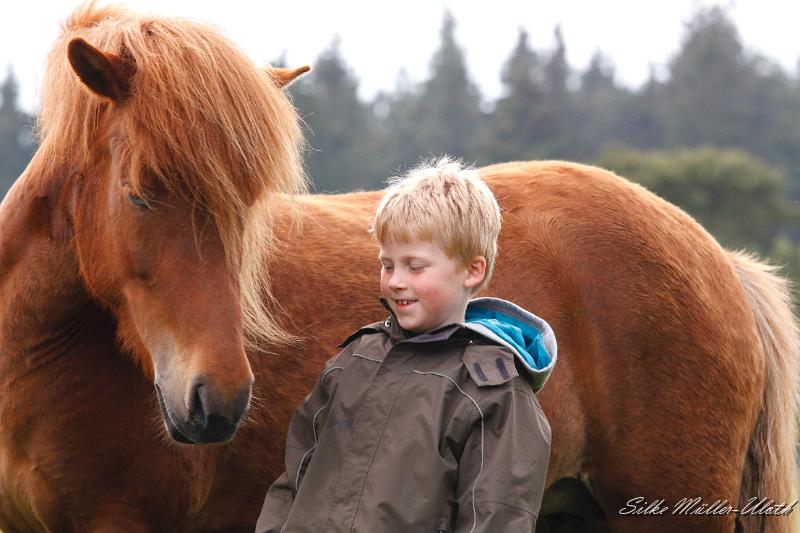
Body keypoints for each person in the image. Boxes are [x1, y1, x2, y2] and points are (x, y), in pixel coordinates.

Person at [255, 157, 556, 533]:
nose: (396, 281)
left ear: (472, 271)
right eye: (387, 265)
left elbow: (498, 516)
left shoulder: (493, 392)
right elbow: (294, 477)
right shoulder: (353, 361)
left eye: (415, 267)